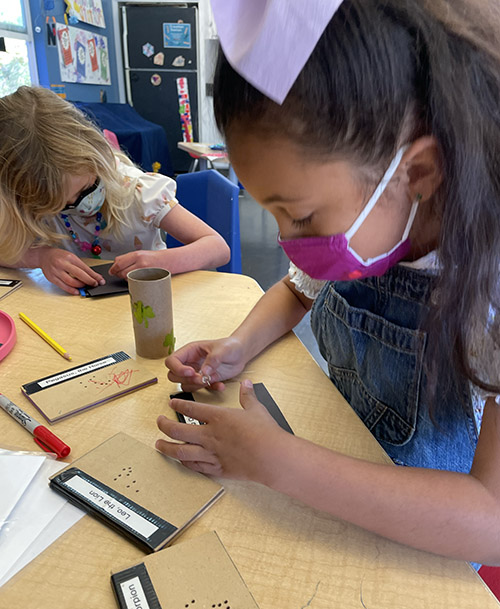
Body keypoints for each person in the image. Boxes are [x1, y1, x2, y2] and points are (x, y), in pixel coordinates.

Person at [157, 0, 500, 565]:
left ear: (417, 172)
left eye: (303, 217)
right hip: (334, 490)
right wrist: (237, 346)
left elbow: (490, 519)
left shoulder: (485, 275)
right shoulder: (375, 218)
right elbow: (296, 290)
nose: (289, 242)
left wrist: (280, 463)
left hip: (425, 547)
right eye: (270, 212)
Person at [0, 86, 230, 295]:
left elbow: (217, 247)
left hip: (151, 304)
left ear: (98, 155)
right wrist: (41, 257)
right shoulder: (26, 200)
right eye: (60, 206)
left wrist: (164, 260)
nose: (79, 205)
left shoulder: (138, 192)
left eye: (86, 189)